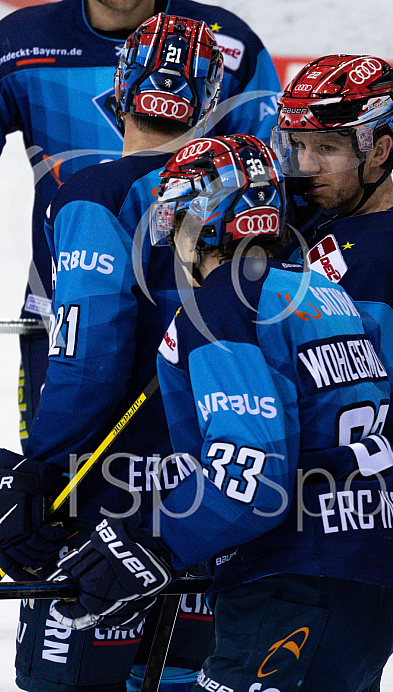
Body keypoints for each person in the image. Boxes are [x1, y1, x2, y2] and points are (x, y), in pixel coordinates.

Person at [48, 133, 393, 692]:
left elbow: (252, 479)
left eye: (174, 217)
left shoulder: (221, 308)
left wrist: (152, 544)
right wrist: (365, 521)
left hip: (287, 588)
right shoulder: (329, 296)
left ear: (204, 222)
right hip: (378, 585)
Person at [0, 14, 225, 692]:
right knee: (186, 675)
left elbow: (88, 354)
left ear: (121, 90)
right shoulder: (255, 197)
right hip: (211, 506)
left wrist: (42, 476)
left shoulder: (94, 193)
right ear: (209, 99)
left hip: (103, 508)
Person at [0, 0, 281, 445]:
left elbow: (273, 188)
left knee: (70, 479)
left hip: (200, 316)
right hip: (60, 305)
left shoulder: (233, 43)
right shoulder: (16, 42)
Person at [270, 54, 393, 430]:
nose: (305, 166)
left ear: (379, 151)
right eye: (300, 145)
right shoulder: (339, 209)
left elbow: (357, 407)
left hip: (339, 480)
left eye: (326, 149)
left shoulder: (382, 261)